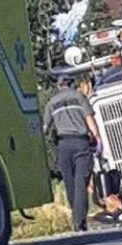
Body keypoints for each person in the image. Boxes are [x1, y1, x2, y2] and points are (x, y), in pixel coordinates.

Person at [43, 75, 102, 232]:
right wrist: (97, 137)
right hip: (80, 143)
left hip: (63, 145)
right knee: (81, 182)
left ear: (58, 85)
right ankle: (79, 221)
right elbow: (89, 119)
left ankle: (76, 218)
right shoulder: (79, 97)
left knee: (70, 183)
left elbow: (44, 128)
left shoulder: (52, 103)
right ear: (72, 84)